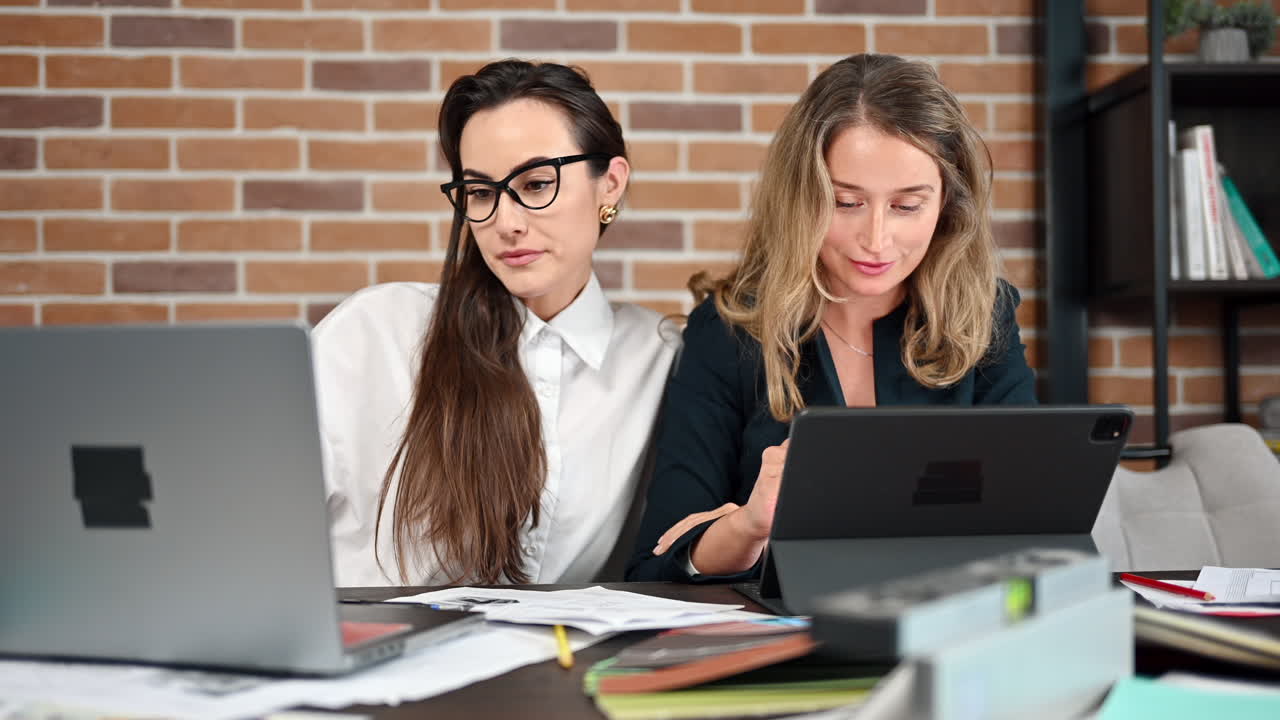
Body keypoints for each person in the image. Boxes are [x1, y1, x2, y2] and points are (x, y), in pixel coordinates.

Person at [626, 53, 1037, 583]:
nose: (876, 240)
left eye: (907, 206)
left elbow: (1034, 526)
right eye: (845, 203)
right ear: (801, 199)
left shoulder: (986, 315)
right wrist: (750, 526)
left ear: (948, 207)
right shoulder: (730, 330)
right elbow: (658, 564)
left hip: (949, 630)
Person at [313, 60, 678, 587]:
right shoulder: (374, 333)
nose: (506, 222)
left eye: (534, 184)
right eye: (481, 193)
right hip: (373, 656)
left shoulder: (658, 357)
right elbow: (251, 519)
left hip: (551, 665)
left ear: (610, 185)